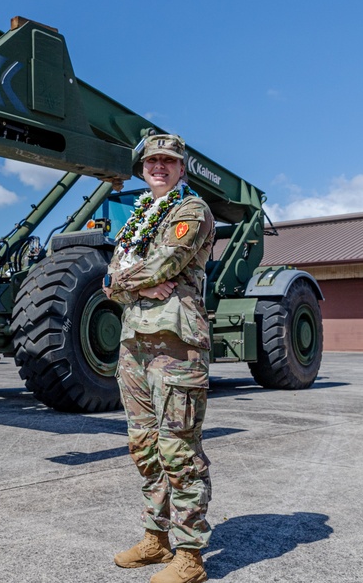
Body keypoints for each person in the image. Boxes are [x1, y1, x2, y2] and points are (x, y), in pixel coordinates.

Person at [102, 134, 216, 583]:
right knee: (144, 445)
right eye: (152, 161)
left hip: (174, 339)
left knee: (178, 447)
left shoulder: (191, 211)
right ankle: (157, 537)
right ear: (142, 168)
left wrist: (128, 281)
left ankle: (190, 556)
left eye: (169, 161)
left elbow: (165, 264)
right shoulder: (137, 219)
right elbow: (108, 282)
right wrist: (134, 285)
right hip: (133, 341)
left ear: (181, 168)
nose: (160, 167)